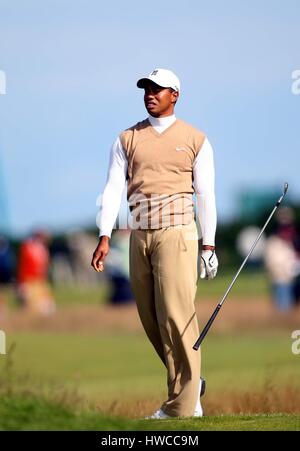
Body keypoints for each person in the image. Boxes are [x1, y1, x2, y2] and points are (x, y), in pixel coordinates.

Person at [91, 69, 218, 418]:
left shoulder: (195, 139)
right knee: (151, 319)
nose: (150, 94)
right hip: (139, 232)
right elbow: (113, 189)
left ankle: (182, 406)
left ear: (174, 95)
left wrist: (209, 246)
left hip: (178, 231)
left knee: (177, 317)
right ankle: (191, 387)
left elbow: (205, 194)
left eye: (157, 89)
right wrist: (104, 234)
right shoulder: (127, 138)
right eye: (146, 89)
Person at [17, 229, 56, 315]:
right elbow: (22, 266)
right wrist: (22, 282)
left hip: (40, 281)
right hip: (28, 281)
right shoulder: (27, 247)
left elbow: (44, 267)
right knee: (30, 307)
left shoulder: (43, 249)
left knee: (47, 307)